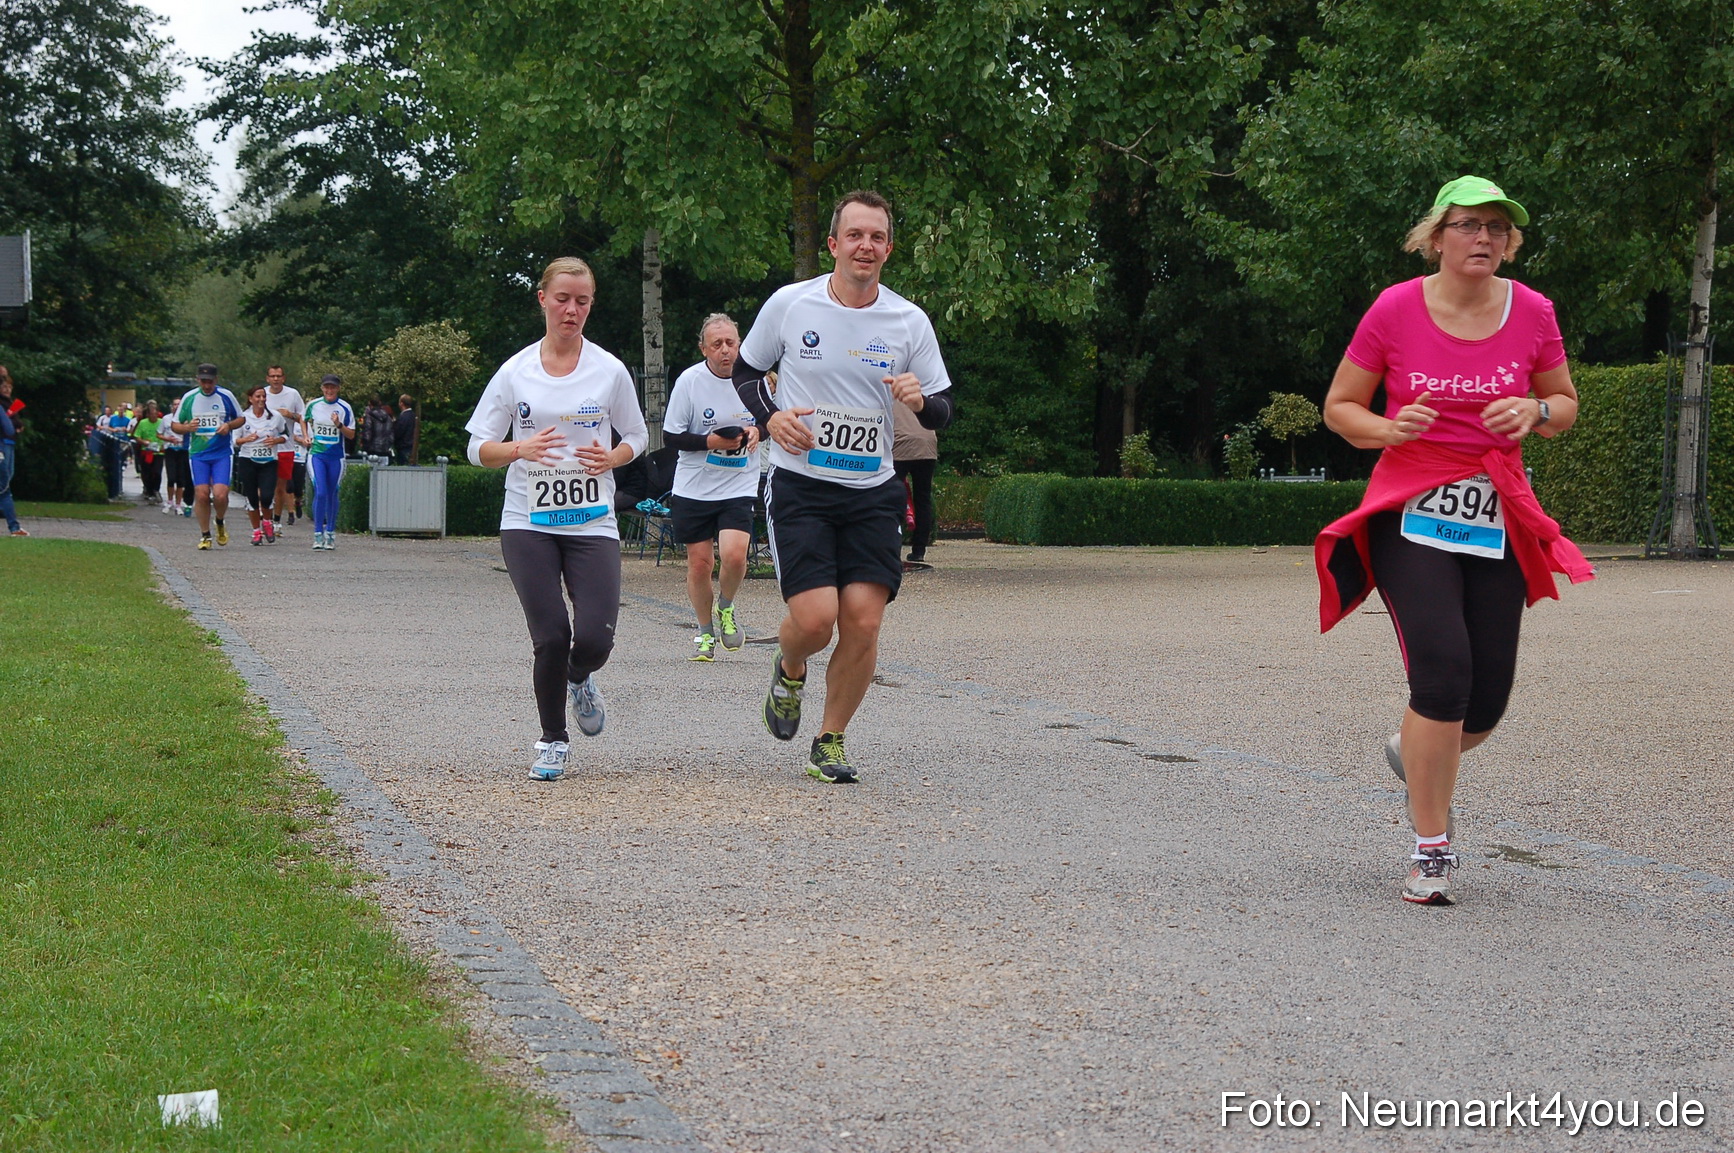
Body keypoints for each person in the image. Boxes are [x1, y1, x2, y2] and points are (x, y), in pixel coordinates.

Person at [1315, 175, 1594, 906]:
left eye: (1497, 229)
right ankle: (1431, 849)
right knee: (1442, 671)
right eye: (1470, 225)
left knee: (1487, 700)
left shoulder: (1532, 310)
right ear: (1437, 237)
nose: (1485, 239)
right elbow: (1339, 407)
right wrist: (1387, 428)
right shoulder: (1395, 308)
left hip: (1496, 505)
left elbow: (1565, 404)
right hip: (1411, 504)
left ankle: (1413, 748)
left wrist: (1534, 408)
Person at [732, 190, 956, 783]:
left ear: (888, 249)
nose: (866, 245)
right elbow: (749, 371)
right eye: (855, 235)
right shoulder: (790, 305)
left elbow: (942, 409)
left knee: (862, 620)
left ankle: (830, 739)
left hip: (873, 489)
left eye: (877, 237)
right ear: (834, 244)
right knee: (814, 620)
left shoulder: (909, 320)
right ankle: (789, 666)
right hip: (802, 484)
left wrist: (921, 401)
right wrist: (769, 417)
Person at [465, 257, 647, 782]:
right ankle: (552, 739)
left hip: (592, 520)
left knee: (593, 639)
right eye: (563, 298)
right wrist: (519, 448)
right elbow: (477, 448)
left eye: (583, 301)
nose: (572, 309)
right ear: (542, 299)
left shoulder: (609, 370)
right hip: (528, 519)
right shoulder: (515, 371)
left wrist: (614, 457)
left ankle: (579, 676)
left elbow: (637, 437)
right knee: (549, 634)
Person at [664, 313, 760, 661]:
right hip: (694, 486)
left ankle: (726, 607)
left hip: (739, 482)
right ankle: (705, 633)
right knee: (700, 563)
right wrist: (712, 441)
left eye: (731, 343)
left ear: (740, 344)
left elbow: (772, 417)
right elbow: (671, 436)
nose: (725, 350)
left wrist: (757, 431)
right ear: (703, 348)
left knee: (734, 555)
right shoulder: (690, 381)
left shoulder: (755, 379)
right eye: (716, 344)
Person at [169, 364, 246, 549]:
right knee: (202, 495)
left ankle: (219, 521)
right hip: (198, 454)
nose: (206, 385)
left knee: (220, 495)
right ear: (198, 380)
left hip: (221, 453)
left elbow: (241, 418)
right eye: (203, 381)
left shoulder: (226, 396)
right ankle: (205, 535)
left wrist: (228, 426)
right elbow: (174, 425)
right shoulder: (190, 398)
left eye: (210, 381)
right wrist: (187, 428)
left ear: (216, 380)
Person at [305, 374, 356, 550]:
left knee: (332, 493)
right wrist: (306, 437)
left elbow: (351, 434)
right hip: (317, 455)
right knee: (320, 492)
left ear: (338, 389)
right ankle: (318, 534)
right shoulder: (313, 405)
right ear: (322, 388)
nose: (329, 390)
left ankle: (331, 533)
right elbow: (303, 420)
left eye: (332, 387)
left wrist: (339, 425)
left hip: (336, 457)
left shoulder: (345, 408)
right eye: (326, 387)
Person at [233, 385, 288, 544]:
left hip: (269, 461)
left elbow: (286, 435)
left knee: (266, 495)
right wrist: (246, 439)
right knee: (251, 497)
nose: (261, 400)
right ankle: (256, 531)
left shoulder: (275, 416)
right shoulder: (242, 417)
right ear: (250, 399)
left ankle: (267, 522)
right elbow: (234, 441)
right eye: (258, 397)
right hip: (248, 460)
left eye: (263, 396)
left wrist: (276, 440)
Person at [892, 398, 938, 569]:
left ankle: (893, 546)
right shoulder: (920, 394)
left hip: (900, 445)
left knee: (891, 497)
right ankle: (919, 550)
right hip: (927, 445)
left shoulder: (887, 394)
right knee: (923, 498)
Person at [264, 365, 306, 528]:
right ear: (267, 378)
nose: (276, 379)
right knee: (266, 485)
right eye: (272, 376)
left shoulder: (292, 394)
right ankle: (264, 517)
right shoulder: (262, 394)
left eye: (278, 376)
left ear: (284, 378)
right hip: (266, 446)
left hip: (286, 447)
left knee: (281, 487)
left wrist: (290, 415)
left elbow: (303, 417)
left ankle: (276, 520)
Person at [0, 367, 25, 537]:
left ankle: (14, 527)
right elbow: (9, 427)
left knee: (5, 485)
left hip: (7, 443)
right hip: (3, 445)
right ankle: (14, 527)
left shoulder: (8, 404)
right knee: (4, 486)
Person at [158, 396, 191, 516]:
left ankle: (178, 504)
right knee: (171, 477)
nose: (176, 406)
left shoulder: (187, 418)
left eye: (179, 404)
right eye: (175, 404)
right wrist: (168, 439)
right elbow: (159, 434)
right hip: (170, 449)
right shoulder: (166, 419)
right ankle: (169, 501)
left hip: (183, 450)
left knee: (181, 479)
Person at [131, 399, 165, 505]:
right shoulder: (142, 422)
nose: (154, 416)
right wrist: (144, 442)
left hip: (159, 452)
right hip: (146, 452)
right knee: (147, 473)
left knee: (157, 472)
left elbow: (166, 434)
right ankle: (149, 490)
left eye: (156, 414)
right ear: (148, 415)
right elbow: (136, 436)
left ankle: (156, 490)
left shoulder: (162, 422)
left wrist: (164, 443)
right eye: (152, 415)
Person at [393, 394, 418, 465]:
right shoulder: (413, 415)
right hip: (411, 446)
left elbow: (399, 432)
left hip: (403, 447)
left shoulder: (403, 417)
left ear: (401, 403)